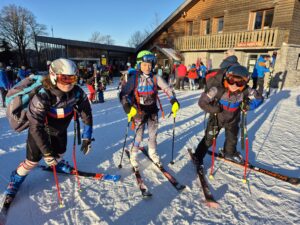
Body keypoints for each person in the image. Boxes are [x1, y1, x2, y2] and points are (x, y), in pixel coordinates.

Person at [4, 58, 93, 200]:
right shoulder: (43, 96)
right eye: (64, 78)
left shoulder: (77, 93)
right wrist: (46, 153)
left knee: (61, 153)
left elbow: (86, 113)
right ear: (53, 76)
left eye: (73, 78)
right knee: (32, 162)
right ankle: (16, 178)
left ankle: (56, 164)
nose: (69, 83)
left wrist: (87, 136)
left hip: (59, 131)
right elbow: (35, 127)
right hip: (40, 133)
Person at [192, 65, 263, 171]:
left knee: (232, 139)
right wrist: (213, 109)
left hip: (233, 120)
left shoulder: (246, 91)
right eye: (231, 81)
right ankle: (198, 156)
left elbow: (259, 98)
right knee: (209, 139)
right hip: (216, 119)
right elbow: (202, 102)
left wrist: (249, 106)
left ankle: (229, 153)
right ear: (226, 78)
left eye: (239, 82)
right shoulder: (216, 90)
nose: (234, 85)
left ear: (245, 82)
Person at [119, 50, 180, 169]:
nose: (147, 67)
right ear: (139, 65)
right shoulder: (134, 78)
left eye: (150, 64)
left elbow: (167, 88)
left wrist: (174, 100)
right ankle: (134, 154)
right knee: (139, 135)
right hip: (138, 111)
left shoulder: (156, 77)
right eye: (144, 64)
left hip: (152, 110)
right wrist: (127, 107)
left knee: (153, 135)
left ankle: (152, 153)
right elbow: (124, 94)